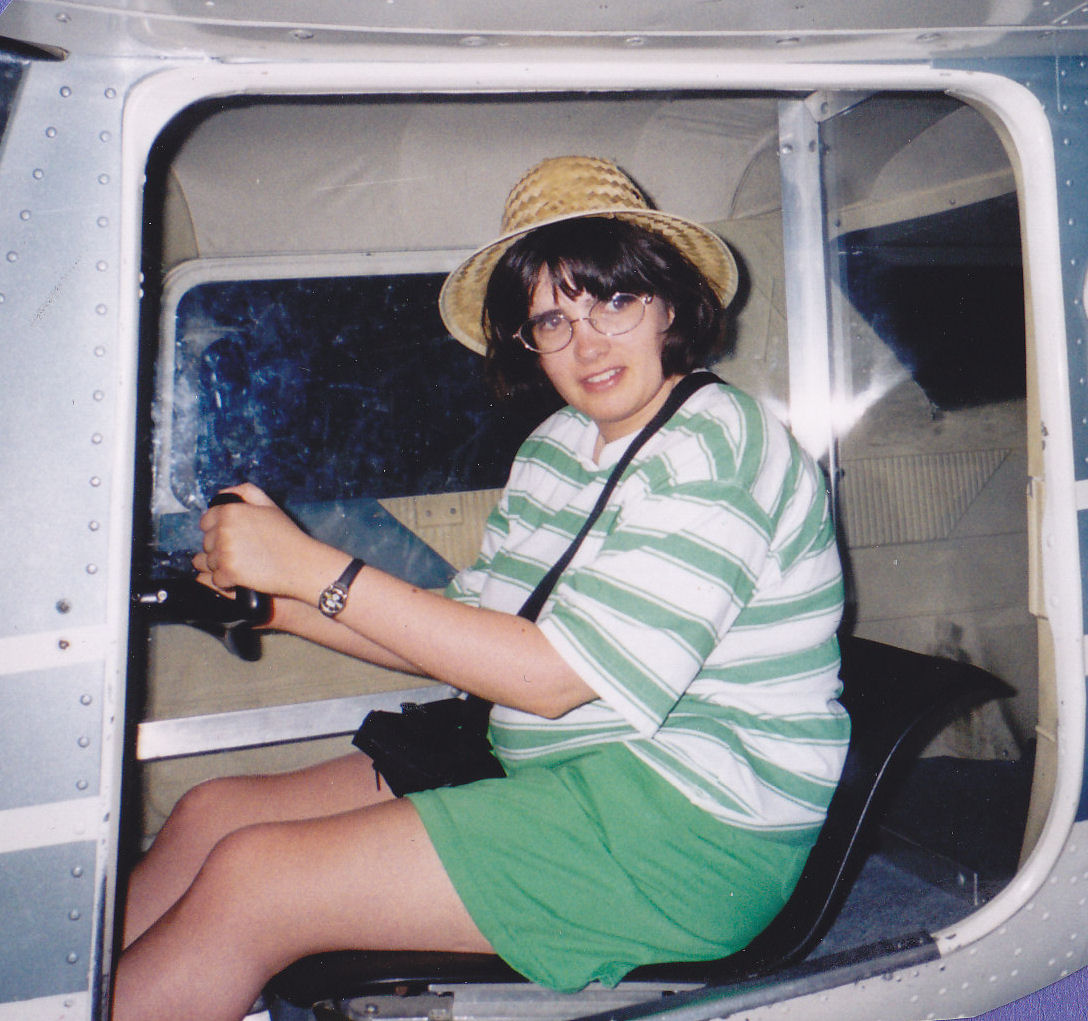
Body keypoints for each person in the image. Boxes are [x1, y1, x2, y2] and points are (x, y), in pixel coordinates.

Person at [112, 155, 849, 1021]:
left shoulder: (720, 444)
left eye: (614, 300)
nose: (588, 343)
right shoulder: (556, 450)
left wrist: (311, 568)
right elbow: (467, 630)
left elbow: (550, 678)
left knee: (257, 879)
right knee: (210, 815)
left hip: (693, 827)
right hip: (561, 771)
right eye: (552, 319)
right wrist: (283, 604)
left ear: (672, 306)